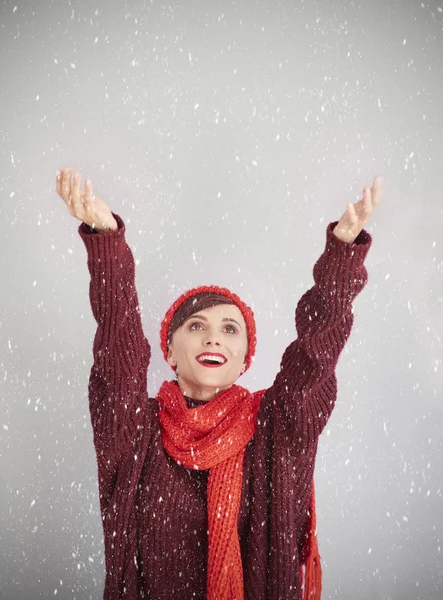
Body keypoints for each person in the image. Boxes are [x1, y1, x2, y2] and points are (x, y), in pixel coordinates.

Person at [56, 166, 383, 600]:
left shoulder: (276, 428)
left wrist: (341, 256)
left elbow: (315, 356)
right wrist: (107, 243)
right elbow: (118, 350)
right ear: (168, 351)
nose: (213, 336)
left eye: (230, 328)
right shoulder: (136, 431)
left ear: (245, 358)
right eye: (196, 325)